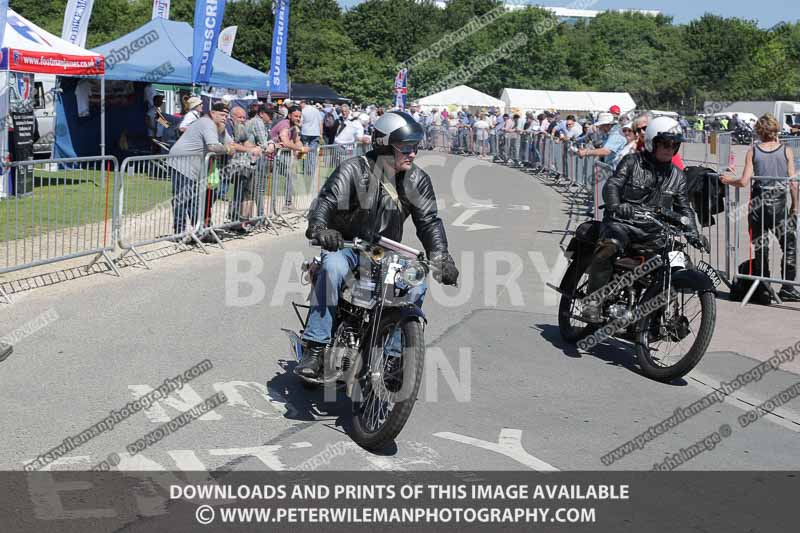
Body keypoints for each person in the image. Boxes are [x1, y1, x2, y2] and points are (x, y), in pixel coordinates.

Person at [295, 111, 460, 377]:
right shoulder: (354, 169)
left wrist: (441, 258)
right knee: (333, 270)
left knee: (416, 283)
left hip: (387, 251)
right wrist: (321, 229)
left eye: (415, 147)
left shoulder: (417, 180)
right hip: (348, 245)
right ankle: (315, 347)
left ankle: (393, 358)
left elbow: (429, 223)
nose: (413, 153)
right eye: (406, 147)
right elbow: (325, 202)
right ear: (384, 145)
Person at [582, 117, 707, 322]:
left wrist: (693, 234)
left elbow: (685, 209)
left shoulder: (678, 176)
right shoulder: (632, 162)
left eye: (674, 145)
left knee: (679, 260)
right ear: (652, 142)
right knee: (610, 245)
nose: (669, 149)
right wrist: (616, 205)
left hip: (653, 232)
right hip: (623, 225)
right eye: (665, 144)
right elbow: (613, 184)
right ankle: (592, 302)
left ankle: (657, 316)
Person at [720, 113, 800, 301]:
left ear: (759, 132)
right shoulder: (786, 150)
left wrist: (728, 180)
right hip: (779, 205)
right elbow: (793, 182)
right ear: (776, 130)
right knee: (788, 245)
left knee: (760, 248)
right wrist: (795, 207)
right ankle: (788, 287)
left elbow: (744, 181)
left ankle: (763, 289)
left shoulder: (753, 151)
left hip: (758, 206)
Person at [168, 102, 234, 238]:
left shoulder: (219, 127)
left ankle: (200, 230)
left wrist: (250, 149)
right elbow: (213, 147)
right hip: (181, 162)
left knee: (195, 199)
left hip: (194, 166)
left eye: (226, 115)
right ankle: (179, 232)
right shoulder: (207, 123)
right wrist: (227, 149)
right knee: (182, 198)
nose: (224, 118)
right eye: (221, 114)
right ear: (212, 113)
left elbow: (232, 143)